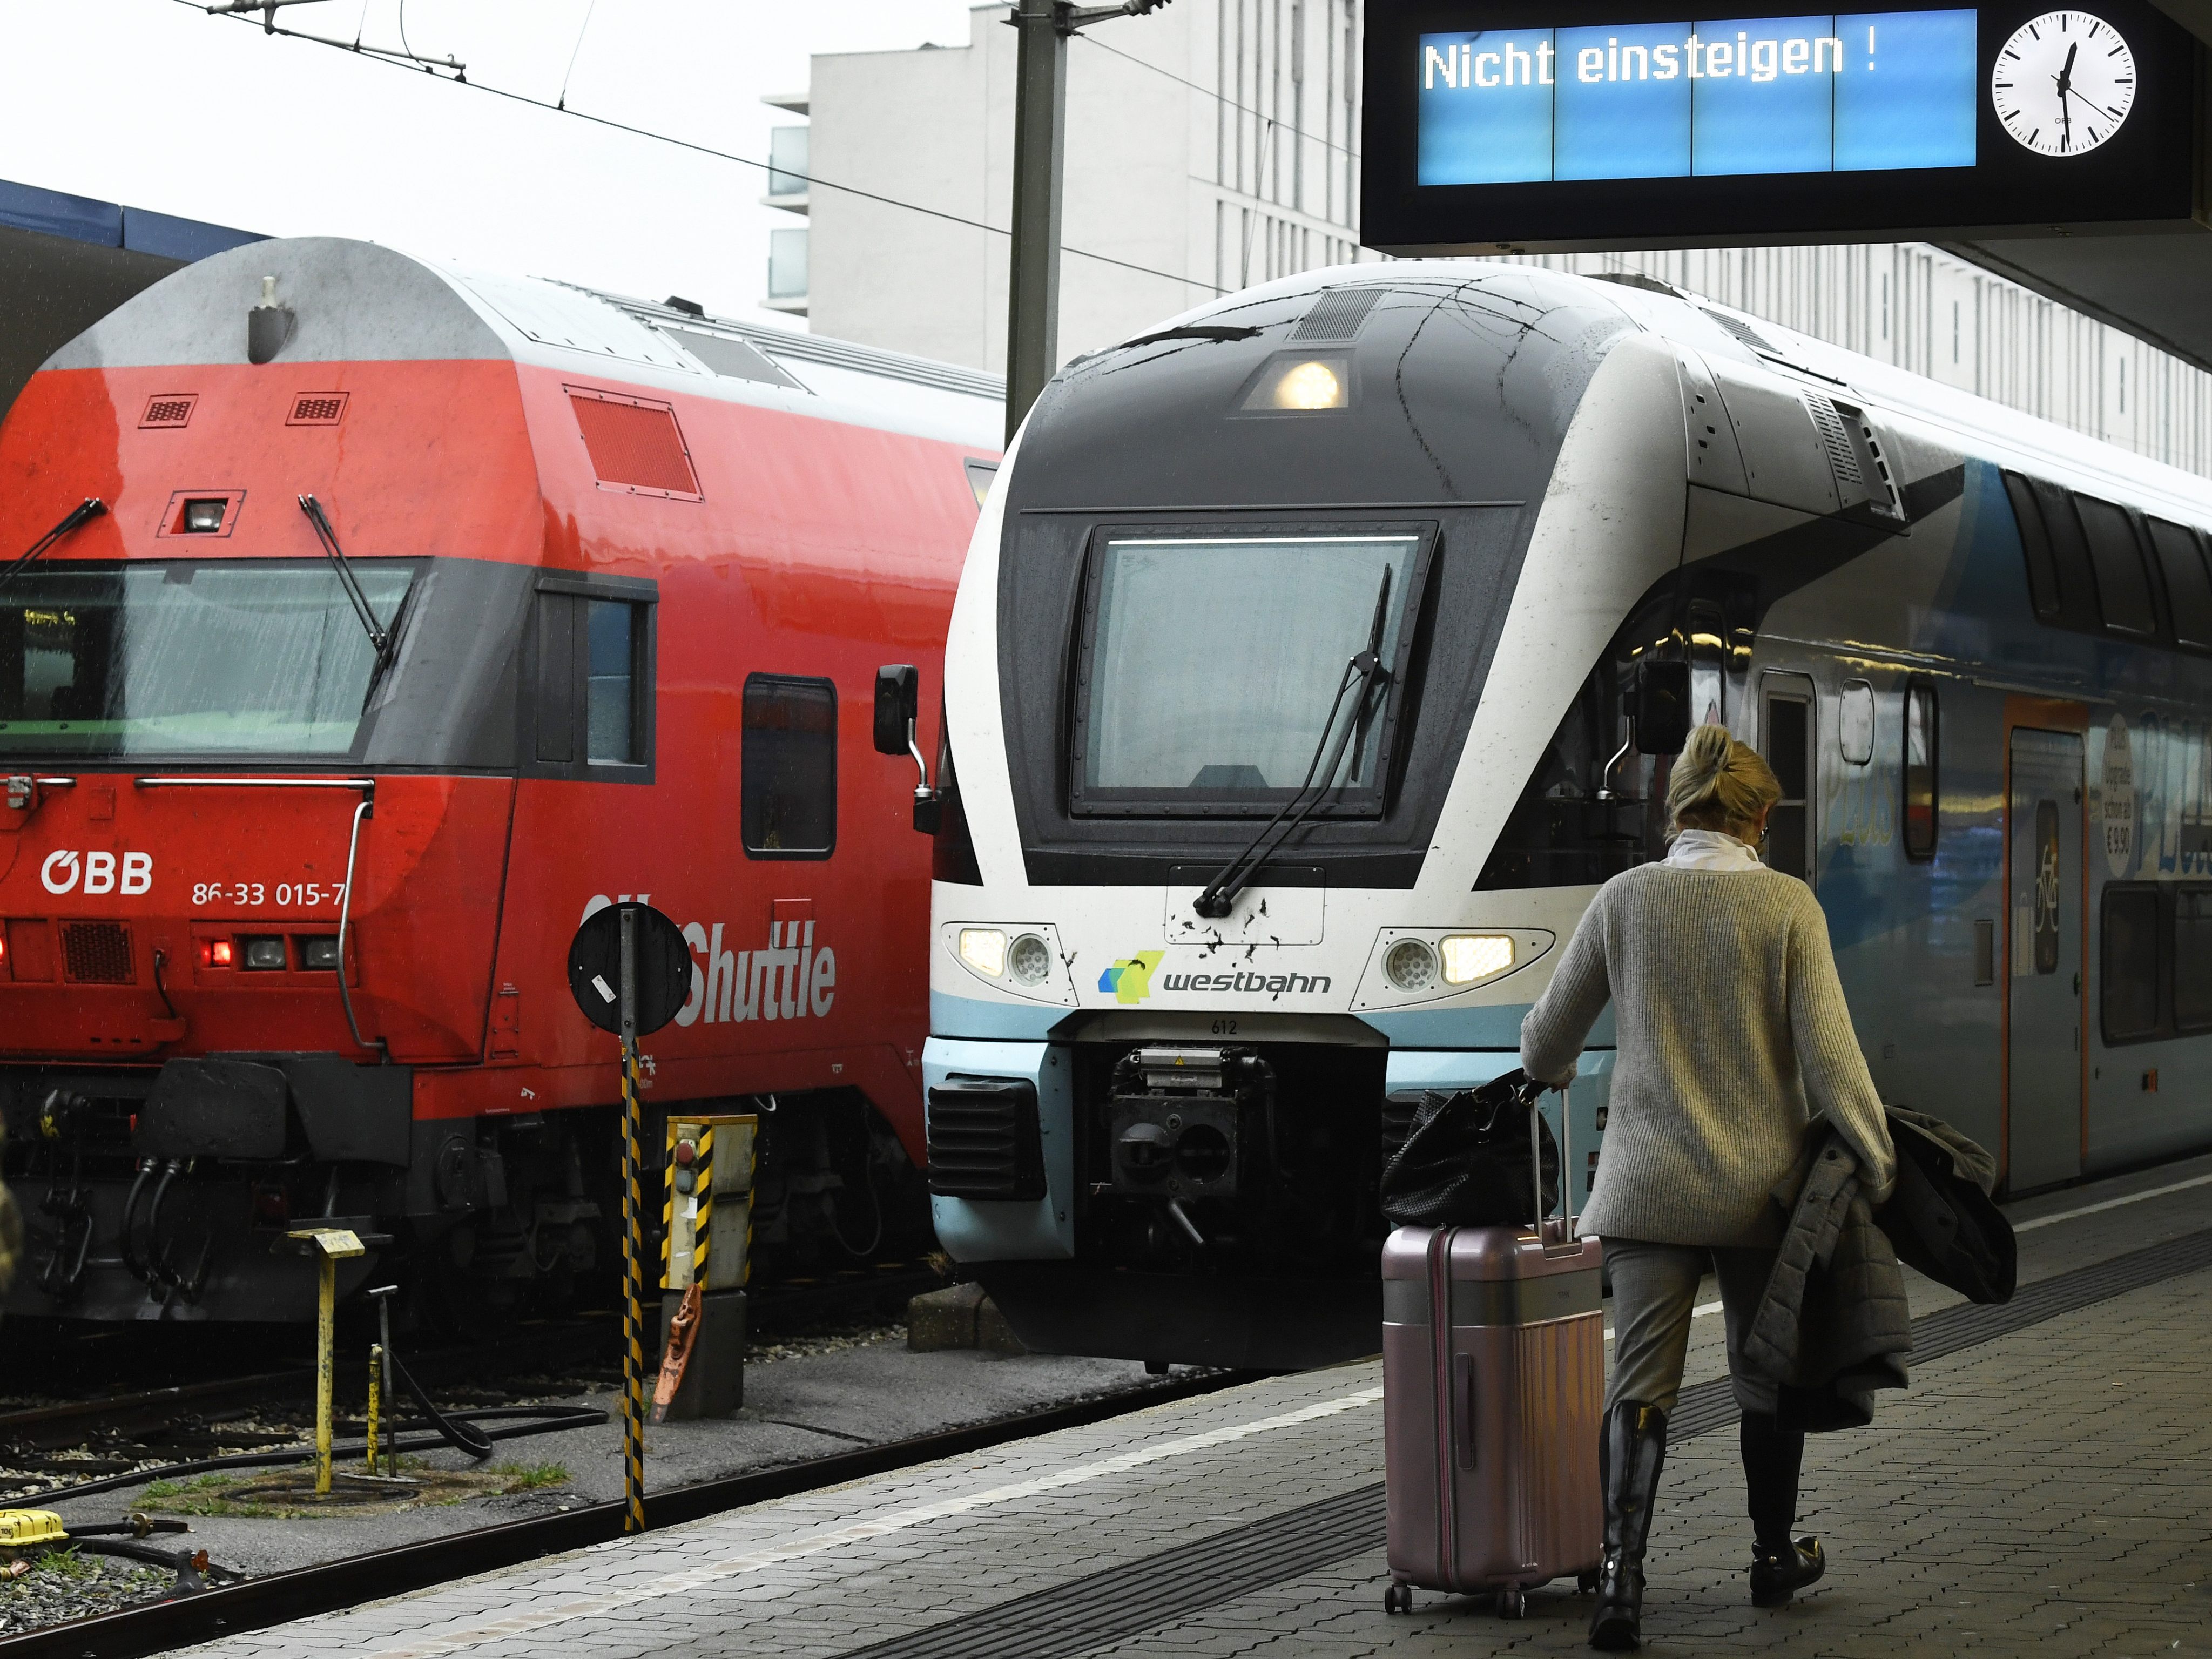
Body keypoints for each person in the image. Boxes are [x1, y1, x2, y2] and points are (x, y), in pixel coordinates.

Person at [1518, 722, 1896, 1652]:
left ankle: (1619, 1580)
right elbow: (1832, 1062)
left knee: (1640, 1380)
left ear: (1670, 807)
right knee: (1767, 1373)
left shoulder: (1623, 900)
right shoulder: (1788, 908)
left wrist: (1562, 1070)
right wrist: (1879, 1164)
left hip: (1646, 1191)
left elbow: (1543, 1044)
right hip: (1760, 1193)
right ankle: (1773, 1556)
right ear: (1760, 818)